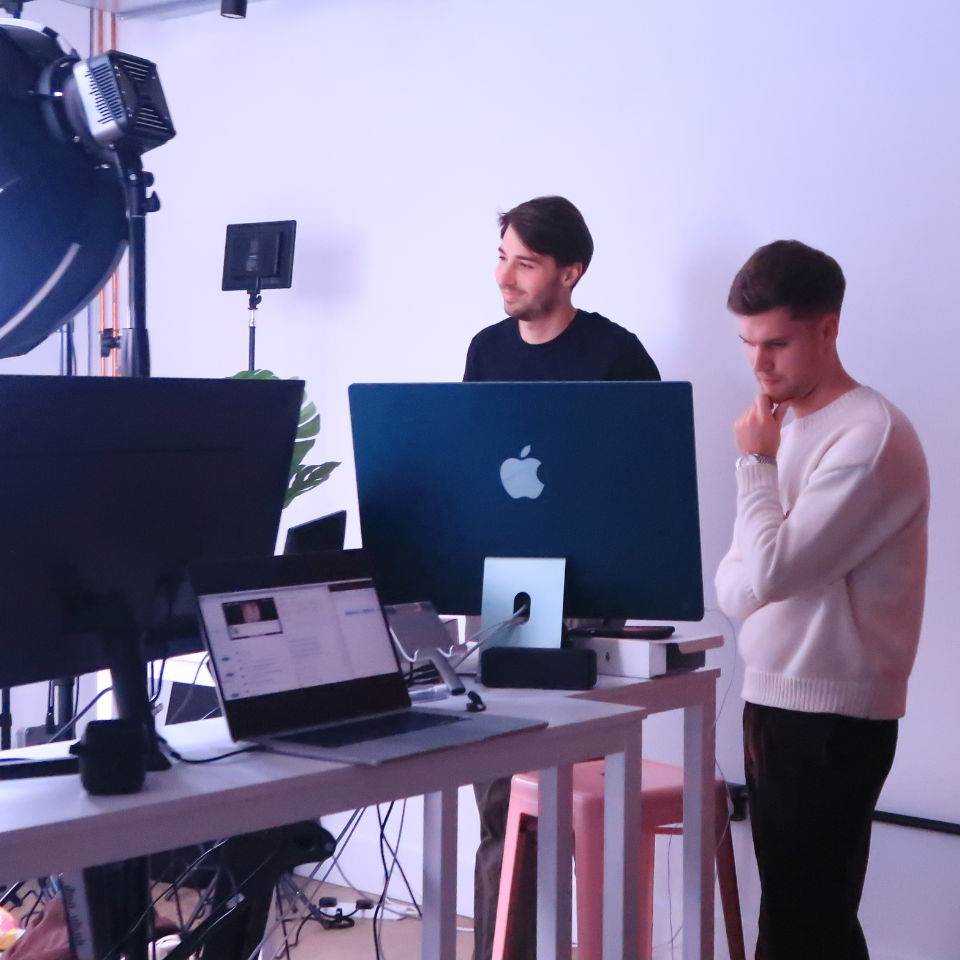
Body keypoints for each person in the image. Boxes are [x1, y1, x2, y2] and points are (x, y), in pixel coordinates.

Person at [715, 240, 929, 960]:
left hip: (831, 716)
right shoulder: (784, 429)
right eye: (747, 342)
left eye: (775, 342)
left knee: (805, 928)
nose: (758, 364)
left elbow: (765, 572)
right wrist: (763, 541)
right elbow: (733, 581)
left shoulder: (868, 436)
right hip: (778, 702)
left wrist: (754, 467)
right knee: (802, 922)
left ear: (828, 329)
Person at [465, 195, 660, 960]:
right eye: (502, 255)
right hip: (501, 590)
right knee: (499, 804)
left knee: (568, 803)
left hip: (590, 601)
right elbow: (476, 467)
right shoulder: (485, 351)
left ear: (570, 273)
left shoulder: (617, 357)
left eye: (525, 261)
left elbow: (646, 488)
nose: (504, 275)